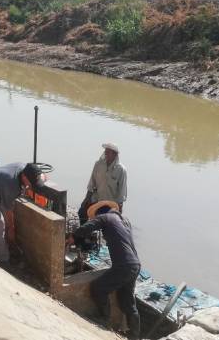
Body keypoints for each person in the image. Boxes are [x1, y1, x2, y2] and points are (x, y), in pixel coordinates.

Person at [71, 200, 141, 339]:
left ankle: (104, 318)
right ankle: (135, 335)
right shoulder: (124, 220)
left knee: (98, 287)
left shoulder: (105, 218)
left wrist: (73, 236)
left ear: (99, 214)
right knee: (127, 300)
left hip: (123, 265)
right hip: (135, 265)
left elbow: (87, 228)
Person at [0, 162, 44, 264]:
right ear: (24, 177)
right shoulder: (11, 185)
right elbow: (8, 212)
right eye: (30, 183)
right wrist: (11, 229)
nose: (31, 186)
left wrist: (39, 181)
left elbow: (42, 175)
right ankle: (3, 259)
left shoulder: (24, 167)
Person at [79, 142, 127, 223]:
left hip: (110, 204)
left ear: (114, 154)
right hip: (97, 200)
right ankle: (85, 233)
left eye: (108, 152)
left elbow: (121, 192)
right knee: (82, 212)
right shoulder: (98, 164)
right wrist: (86, 199)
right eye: (105, 151)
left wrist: (119, 209)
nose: (105, 153)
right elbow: (92, 183)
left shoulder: (121, 170)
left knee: (107, 221)